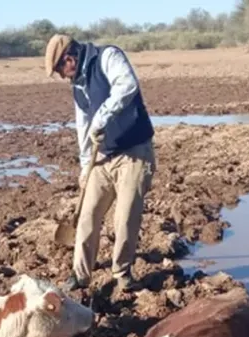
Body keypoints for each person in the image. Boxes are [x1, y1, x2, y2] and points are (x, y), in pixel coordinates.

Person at [44, 33, 156, 293]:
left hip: (134, 153)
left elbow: (127, 85)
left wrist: (102, 117)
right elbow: (84, 127)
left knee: (125, 217)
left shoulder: (107, 57)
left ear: (69, 59)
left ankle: (122, 273)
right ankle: (80, 274)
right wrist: (86, 167)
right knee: (87, 215)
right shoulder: (77, 86)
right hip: (102, 158)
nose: (62, 75)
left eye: (60, 69)